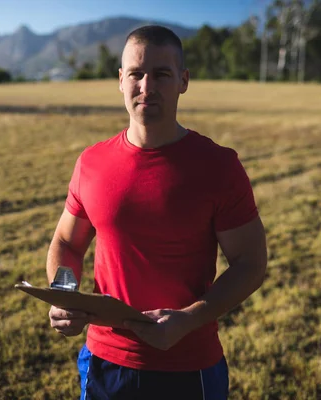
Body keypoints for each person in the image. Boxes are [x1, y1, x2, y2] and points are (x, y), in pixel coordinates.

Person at [46, 25, 267, 400]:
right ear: (120, 80)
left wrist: (191, 318)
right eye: (136, 73)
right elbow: (68, 241)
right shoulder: (92, 162)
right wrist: (64, 292)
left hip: (189, 366)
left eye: (161, 74)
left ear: (183, 80)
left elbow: (250, 263)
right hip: (104, 362)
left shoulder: (218, 166)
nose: (146, 86)